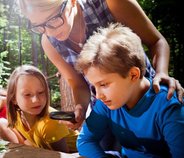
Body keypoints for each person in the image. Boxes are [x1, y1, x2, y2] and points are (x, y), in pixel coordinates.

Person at [17, 0, 184, 131]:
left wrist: (161, 72)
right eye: (39, 26)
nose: (50, 32)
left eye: (53, 20)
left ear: (72, 1)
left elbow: (157, 41)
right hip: (107, 109)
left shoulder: (111, 3)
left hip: (145, 100)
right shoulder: (49, 43)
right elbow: (78, 83)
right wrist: (81, 108)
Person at [75, 23, 184, 157]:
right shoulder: (106, 104)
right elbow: (85, 141)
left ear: (133, 75)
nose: (98, 96)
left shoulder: (167, 106)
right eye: (94, 86)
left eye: (103, 84)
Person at [6, 65, 78, 152]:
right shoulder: (16, 117)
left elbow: (64, 155)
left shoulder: (50, 123)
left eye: (41, 92)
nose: (36, 100)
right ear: (14, 98)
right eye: (27, 95)